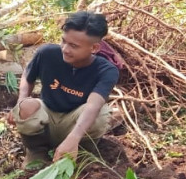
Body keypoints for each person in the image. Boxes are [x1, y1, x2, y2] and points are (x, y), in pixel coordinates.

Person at [7, 11, 119, 166]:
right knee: (26, 106)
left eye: (73, 46)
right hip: (47, 118)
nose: (65, 49)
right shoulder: (47, 54)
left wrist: (74, 138)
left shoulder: (106, 70)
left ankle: (81, 153)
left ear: (94, 48)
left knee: (100, 113)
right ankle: (36, 152)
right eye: (63, 41)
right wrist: (21, 100)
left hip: (76, 124)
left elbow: (94, 104)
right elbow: (28, 75)